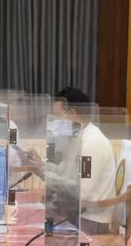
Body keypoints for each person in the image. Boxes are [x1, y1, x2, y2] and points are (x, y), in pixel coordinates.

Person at [49, 87, 118, 232]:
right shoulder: (77, 137)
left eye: (57, 116)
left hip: (89, 220)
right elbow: (65, 171)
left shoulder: (92, 144)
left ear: (72, 114)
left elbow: (82, 192)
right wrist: (41, 167)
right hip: (75, 211)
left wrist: (48, 178)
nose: (54, 122)